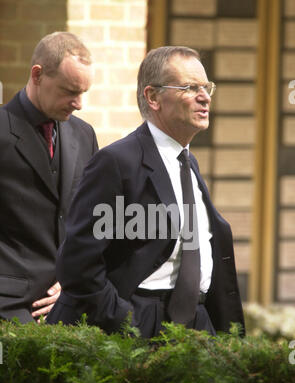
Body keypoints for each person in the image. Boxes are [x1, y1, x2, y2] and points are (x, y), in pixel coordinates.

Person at [46, 46, 245, 338]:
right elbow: (79, 265)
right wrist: (127, 322)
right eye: (190, 87)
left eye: (206, 87)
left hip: (196, 325)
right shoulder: (117, 162)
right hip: (140, 323)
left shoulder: (188, 164)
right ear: (153, 97)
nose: (205, 97)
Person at [0, 31, 98, 323]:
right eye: (69, 91)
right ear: (37, 75)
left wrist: (71, 282)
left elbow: (90, 221)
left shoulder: (84, 135)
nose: (78, 103)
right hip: (7, 305)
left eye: (83, 93)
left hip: (68, 303)